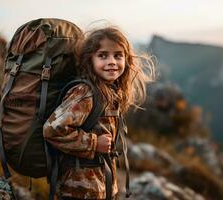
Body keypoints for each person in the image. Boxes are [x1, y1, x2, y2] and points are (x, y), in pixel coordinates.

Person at [43, 26, 155, 200]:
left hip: (99, 186)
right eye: (103, 55)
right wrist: (94, 143)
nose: (112, 61)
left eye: (118, 55)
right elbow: (52, 130)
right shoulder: (85, 93)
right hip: (77, 190)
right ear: (90, 60)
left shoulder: (109, 91)